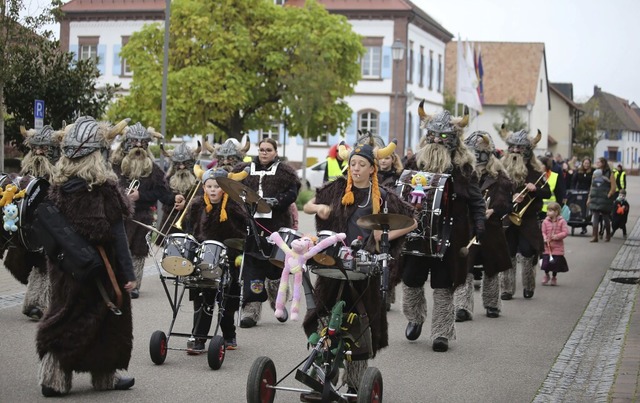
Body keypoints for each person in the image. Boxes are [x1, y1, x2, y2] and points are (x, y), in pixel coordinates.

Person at [302, 140, 415, 395]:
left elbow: (412, 221)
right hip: (333, 263)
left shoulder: (384, 198)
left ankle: (355, 385)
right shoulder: (338, 189)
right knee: (325, 319)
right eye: (352, 163)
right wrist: (318, 207)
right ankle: (322, 377)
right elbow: (309, 204)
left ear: (372, 168)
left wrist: (385, 235)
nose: (355, 168)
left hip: (365, 269)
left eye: (361, 164)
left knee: (359, 327)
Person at [36, 116, 136, 397]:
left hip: (65, 268)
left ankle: (54, 378)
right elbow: (117, 237)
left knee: (64, 313)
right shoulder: (105, 191)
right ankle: (104, 378)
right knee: (108, 321)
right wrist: (128, 275)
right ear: (98, 154)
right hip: (103, 268)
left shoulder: (58, 188)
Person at [401, 106, 486, 352]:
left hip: (449, 235)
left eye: (443, 137)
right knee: (411, 280)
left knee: (443, 285)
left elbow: (477, 200)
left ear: (454, 140)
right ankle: (415, 317)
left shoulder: (463, 168)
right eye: (432, 135)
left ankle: (441, 333)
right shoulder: (413, 162)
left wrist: (479, 224)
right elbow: (397, 189)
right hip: (417, 232)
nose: (437, 141)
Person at [231, 138, 301, 328]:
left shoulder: (284, 172)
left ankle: (278, 304)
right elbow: (233, 190)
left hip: (275, 226)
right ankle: (251, 312)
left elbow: (293, 193)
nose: (264, 153)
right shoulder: (244, 169)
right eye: (261, 149)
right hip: (252, 226)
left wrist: (277, 201)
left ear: (275, 152)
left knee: (275, 269)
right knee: (252, 268)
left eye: (268, 150)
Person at [111, 122, 185, 299]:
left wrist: (172, 197)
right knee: (118, 249)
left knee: (138, 251)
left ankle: (134, 285)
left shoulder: (154, 169)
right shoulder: (114, 165)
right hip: (118, 217)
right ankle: (116, 283)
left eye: (142, 143)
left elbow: (163, 192)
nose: (138, 146)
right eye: (134, 142)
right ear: (126, 144)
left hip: (142, 217)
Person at [181, 168, 249, 352]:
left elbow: (243, 234)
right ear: (203, 187)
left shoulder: (234, 208)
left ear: (225, 189)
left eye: (217, 187)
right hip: (203, 258)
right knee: (203, 297)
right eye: (209, 186)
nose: (212, 190)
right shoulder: (196, 206)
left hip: (228, 258)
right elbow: (189, 231)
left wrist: (236, 251)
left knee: (226, 300)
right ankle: (199, 338)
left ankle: (229, 335)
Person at [3, 125, 62, 320]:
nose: (38, 152)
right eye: (35, 148)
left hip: (50, 226)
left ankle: (35, 304)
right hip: (25, 228)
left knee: (44, 265)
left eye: (43, 149)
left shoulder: (61, 173)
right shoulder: (25, 173)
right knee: (23, 262)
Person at [454, 131, 513, 321]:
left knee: (492, 268)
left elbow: (507, 203)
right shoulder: (463, 174)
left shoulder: (500, 177)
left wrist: (493, 211)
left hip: (491, 230)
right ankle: (462, 307)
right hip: (467, 227)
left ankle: (492, 304)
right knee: (465, 267)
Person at [499, 128, 551, 300]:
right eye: (512, 147)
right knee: (508, 252)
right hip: (508, 217)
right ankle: (507, 289)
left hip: (527, 219)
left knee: (528, 252)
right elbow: (494, 192)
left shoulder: (536, 172)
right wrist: (510, 196)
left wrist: (535, 189)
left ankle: (528, 286)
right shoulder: (501, 170)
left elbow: (547, 193)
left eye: (519, 148)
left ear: (527, 151)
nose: (515, 151)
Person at [156, 142, 201, 242]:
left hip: (191, 224)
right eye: (178, 164)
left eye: (185, 163)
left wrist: (186, 206)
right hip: (169, 224)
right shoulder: (167, 179)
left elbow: (201, 200)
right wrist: (173, 198)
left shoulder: (199, 181)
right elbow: (162, 196)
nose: (181, 167)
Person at [540, 202, 569, 286]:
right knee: (546, 263)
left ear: (556, 212)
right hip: (547, 246)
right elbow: (543, 232)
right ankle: (546, 275)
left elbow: (565, 232)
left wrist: (557, 236)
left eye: (550, 211)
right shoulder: (545, 221)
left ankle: (554, 277)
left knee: (555, 264)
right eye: (547, 211)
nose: (547, 212)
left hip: (557, 247)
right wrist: (544, 238)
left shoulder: (562, 221)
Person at [587, 168, 615, 242]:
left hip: (596, 202)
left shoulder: (594, 181)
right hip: (604, 202)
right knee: (606, 217)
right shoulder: (607, 181)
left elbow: (592, 191)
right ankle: (608, 236)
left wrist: (589, 199)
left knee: (595, 218)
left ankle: (595, 236)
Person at [539, 155, 566, 220]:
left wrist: (558, 208)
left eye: (540, 164)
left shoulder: (555, 176)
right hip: (538, 208)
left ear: (546, 166)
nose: (538, 166)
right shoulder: (536, 176)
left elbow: (559, 193)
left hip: (551, 210)